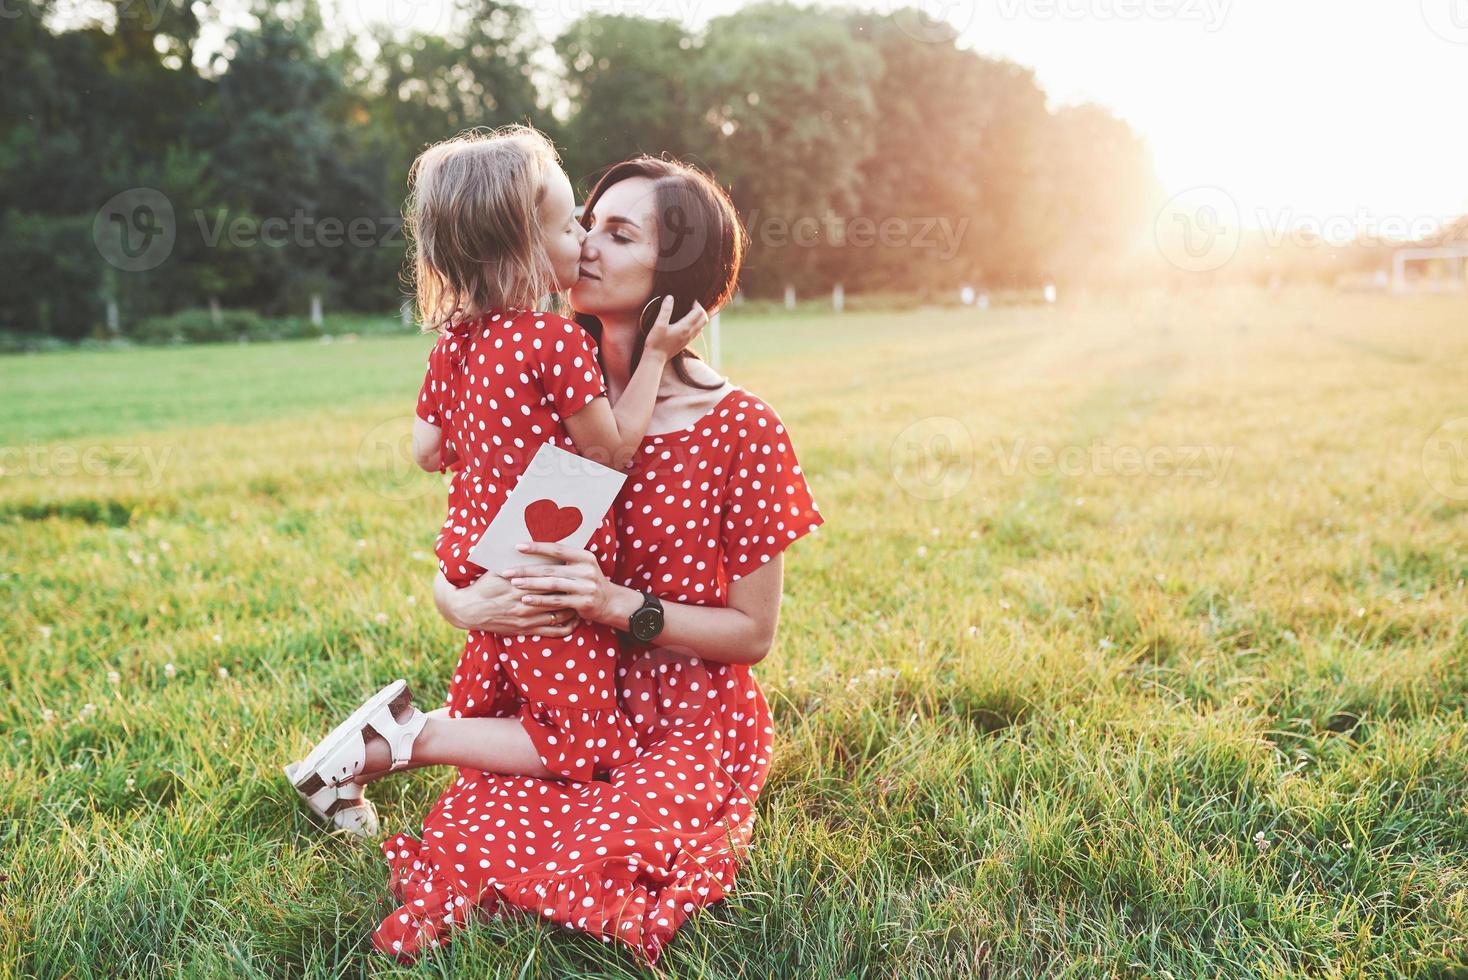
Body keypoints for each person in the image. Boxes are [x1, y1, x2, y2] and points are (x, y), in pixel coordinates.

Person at [369, 157, 826, 965]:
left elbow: (752, 636)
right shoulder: (541, 386)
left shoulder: (743, 429)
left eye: (619, 234)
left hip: (681, 713)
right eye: (583, 221)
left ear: (675, 273)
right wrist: (459, 604)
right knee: (481, 837)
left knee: (616, 850)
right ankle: (421, 740)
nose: (584, 243)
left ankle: (420, 740)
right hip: (553, 695)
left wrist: (616, 606)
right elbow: (479, 545)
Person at [283, 128, 709, 836]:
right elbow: (609, 452)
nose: (583, 239)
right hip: (536, 565)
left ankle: (346, 783)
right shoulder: (555, 342)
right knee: (582, 744)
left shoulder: (455, 342)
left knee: (493, 709)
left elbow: (427, 450)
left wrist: (491, 447)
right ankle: (393, 742)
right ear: (527, 249)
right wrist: (657, 358)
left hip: (474, 551)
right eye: (573, 225)